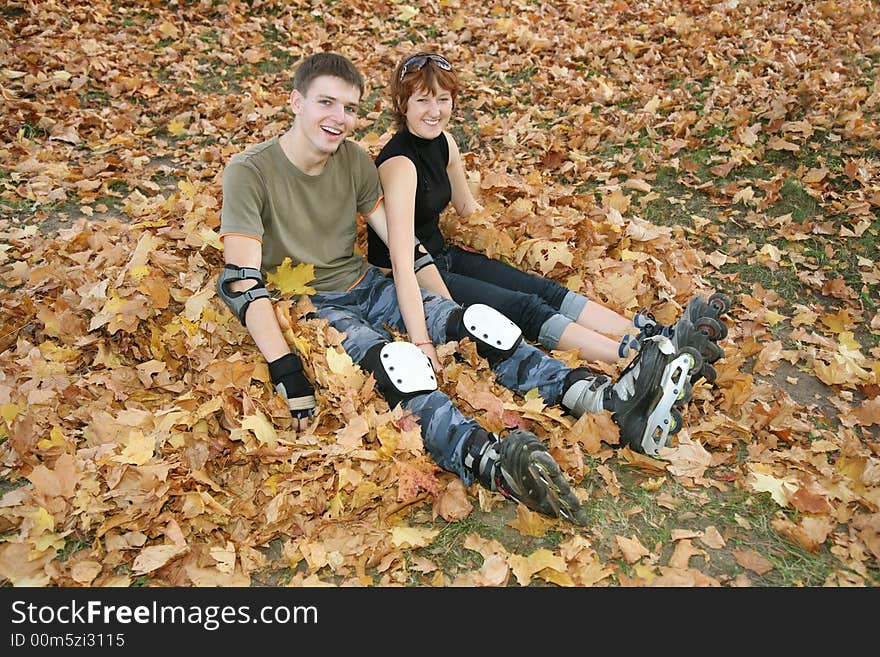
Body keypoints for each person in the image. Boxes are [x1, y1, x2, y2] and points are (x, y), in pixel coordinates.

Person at [217, 52, 700, 527]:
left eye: (349, 108)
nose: (338, 119)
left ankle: (598, 399)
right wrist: (287, 371)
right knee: (399, 366)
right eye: (326, 103)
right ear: (295, 102)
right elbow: (242, 284)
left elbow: (405, 251)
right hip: (311, 305)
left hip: (366, 282)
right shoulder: (250, 171)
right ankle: (486, 458)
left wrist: (449, 322)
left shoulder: (354, 164)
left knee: (482, 323)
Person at [367, 52, 731, 381]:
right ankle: (633, 356)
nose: (435, 110)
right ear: (403, 104)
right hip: (412, 274)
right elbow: (403, 259)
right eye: (423, 101)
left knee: (541, 288)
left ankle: (650, 334)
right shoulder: (399, 164)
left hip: (444, 255)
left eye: (443, 100)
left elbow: (468, 209)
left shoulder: (444, 141)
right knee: (523, 307)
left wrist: (528, 229)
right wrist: (428, 334)